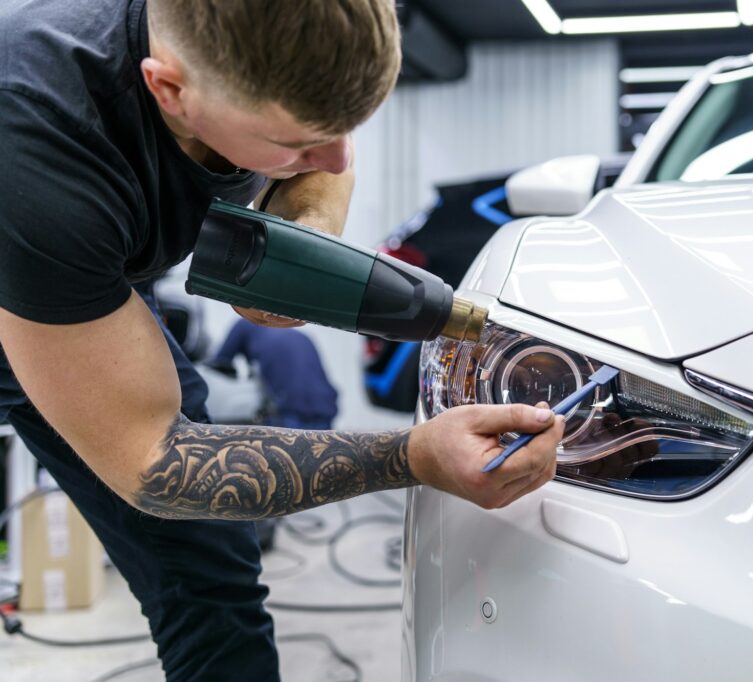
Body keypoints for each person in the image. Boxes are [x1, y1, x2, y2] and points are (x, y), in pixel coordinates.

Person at [0, 2, 564, 680]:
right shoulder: (41, 149)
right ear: (168, 89)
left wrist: (309, 227)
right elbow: (156, 462)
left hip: (93, 265)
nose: (335, 157)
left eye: (347, 128)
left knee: (209, 567)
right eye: (297, 144)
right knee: (183, 497)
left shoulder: (276, 58)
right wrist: (413, 457)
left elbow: (328, 156)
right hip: (30, 274)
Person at [209, 319, 340, 430]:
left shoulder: (245, 324)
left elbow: (219, 363)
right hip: (325, 412)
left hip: (289, 414)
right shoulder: (300, 335)